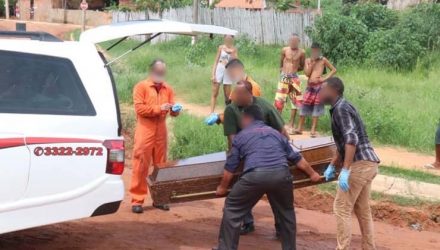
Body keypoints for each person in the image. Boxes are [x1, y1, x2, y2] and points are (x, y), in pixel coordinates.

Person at [214, 105, 321, 250]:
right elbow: (296, 158)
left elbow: (230, 167)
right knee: (286, 213)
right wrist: (313, 174)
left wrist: (222, 187)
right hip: (281, 176)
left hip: (255, 176)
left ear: (247, 118)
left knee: (232, 208)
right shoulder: (277, 134)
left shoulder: (241, 136)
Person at [222, 80, 289, 235]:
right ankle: (247, 223)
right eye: (235, 93)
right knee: (241, 190)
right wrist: (236, 162)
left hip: (269, 155)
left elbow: (282, 132)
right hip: (244, 155)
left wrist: (284, 154)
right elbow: (232, 140)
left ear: (249, 94)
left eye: (239, 93)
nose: (235, 96)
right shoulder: (232, 110)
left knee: (275, 192)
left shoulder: (264, 106)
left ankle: (281, 227)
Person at [320, 77, 380, 250]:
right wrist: (333, 165)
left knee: (341, 208)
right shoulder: (343, 106)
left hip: (359, 165)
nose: (321, 93)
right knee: (362, 210)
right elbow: (343, 144)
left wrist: (345, 170)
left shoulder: (340, 109)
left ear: (333, 91)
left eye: (323, 90)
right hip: (369, 163)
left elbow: (351, 140)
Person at [129, 59, 183, 214]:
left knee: (161, 166)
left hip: (161, 131)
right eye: (158, 71)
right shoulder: (141, 87)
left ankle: (160, 199)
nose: (160, 74)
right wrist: (159, 108)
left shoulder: (168, 89)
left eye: (162, 71)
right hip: (144, 130)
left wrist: (175, 110)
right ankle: (137, 200)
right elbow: (140, 109)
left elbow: (173, 112)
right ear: (151, 71)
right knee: (141, 165)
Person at [295, 42, 336, 137]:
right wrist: (312, 63)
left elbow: (334, 70)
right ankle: (300, 127)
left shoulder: (323, 60)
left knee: (317, 106)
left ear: (319, 51)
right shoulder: (308, 60)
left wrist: (324, 78)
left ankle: (313, 130)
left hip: (319, 87)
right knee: (304, 105)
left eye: (317, 51)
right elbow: (307, 74)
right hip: (310, 87)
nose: (315, 52)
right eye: (313, 50)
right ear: (311, 50)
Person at [205, 59, 261, 125]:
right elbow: (232, 109)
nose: (230, 76)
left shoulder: (253, 87)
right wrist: (219, 117)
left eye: (231, 73)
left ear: (240, 70)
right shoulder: (237, 87)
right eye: (228, 74)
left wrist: (220, 118)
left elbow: (248, 114)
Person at [274, 34, 305, 133]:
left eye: (295, 41)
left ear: (298, 42)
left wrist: (293, 71)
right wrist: (282, 71)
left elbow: (302, 66)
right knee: (279, 100)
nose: (293, 43)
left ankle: (291, 123)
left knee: (295, 102)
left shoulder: (302, 52)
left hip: (294, 78)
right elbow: (281, 61)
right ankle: (278, 123)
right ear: (289, 41)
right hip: (284, 77)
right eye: (291, 40)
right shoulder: (284, 50)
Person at [210, 35, 238, 114]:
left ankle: (227, 113)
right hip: (219, 70)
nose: (228, 40)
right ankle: (211, 113)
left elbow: (236, 62)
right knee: (215, 92)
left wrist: (232, 54)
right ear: (224, 39)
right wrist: (213, 74)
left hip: (228, 72)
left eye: (230, 38)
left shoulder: (234, 49)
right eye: (227, 38)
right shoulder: (221, 48)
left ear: (232, 39)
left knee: (228, 95)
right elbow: (216, 61)